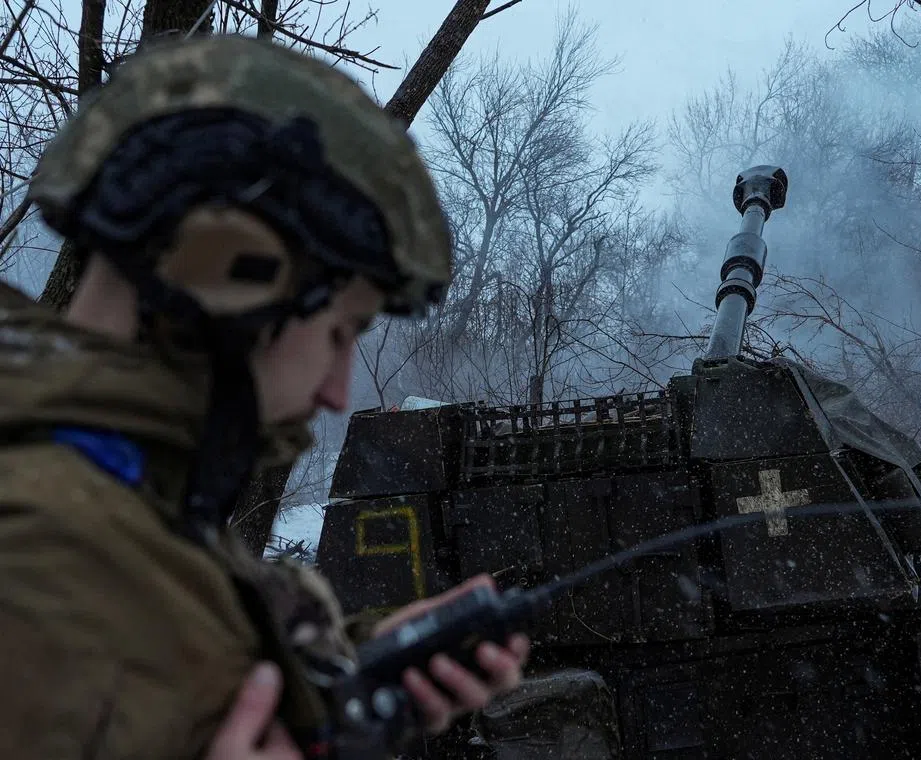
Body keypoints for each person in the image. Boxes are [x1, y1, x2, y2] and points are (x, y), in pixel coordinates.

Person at [0, 32, 528, 759]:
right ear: (228, 270)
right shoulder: (49, 567)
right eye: (341, 331)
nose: (340, 389)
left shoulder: (119, 497)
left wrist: (349, 669)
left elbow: (162, 674)